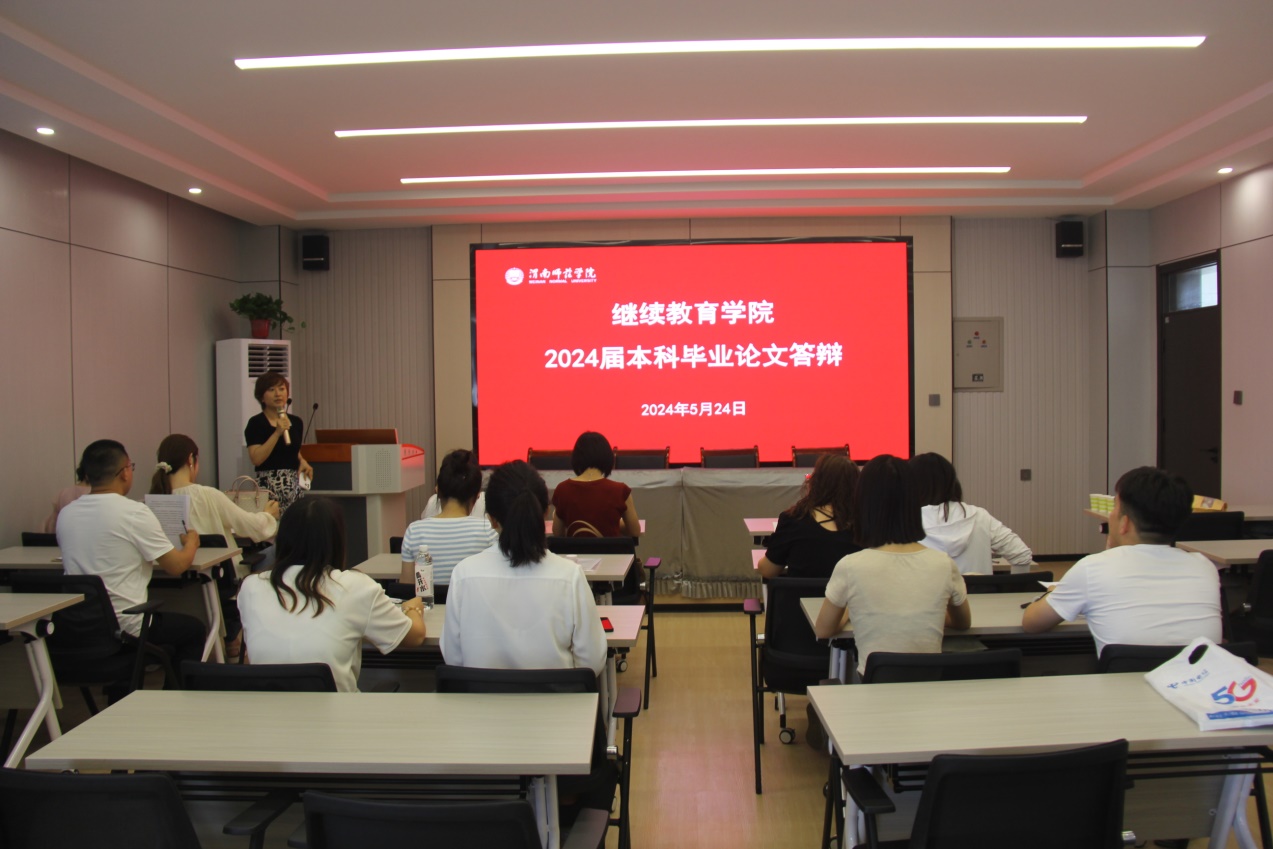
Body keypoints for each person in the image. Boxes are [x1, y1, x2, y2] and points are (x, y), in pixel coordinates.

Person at [1022, 466, 1222, 656]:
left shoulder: (1092, 568)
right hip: (1199, 679)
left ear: (1124, 523)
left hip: (1125, 680)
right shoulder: (1204, 566)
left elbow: (1032, 623)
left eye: (1114, 508)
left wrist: (1054, 592)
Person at [237, 496, 426, 692]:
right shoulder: (355, 587)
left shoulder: (251, 587)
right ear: (336, 540)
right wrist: (412, 608)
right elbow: (415, 637)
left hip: (265, 710)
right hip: (338, 711)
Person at [442, 461, 607, 674]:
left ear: (491, 519)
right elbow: (592, 662)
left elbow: (453, 659)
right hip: (555, 696)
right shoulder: (570, 577)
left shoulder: (464, 575)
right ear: (546, 513)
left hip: (482, 696)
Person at [814, 454, 971, 675]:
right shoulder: (943, 564)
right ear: (914, 503)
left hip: (874, 686)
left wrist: (852, 610)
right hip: (930, 686)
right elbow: (963, 622)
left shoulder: (850, 566)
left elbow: (823, 629)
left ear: (863, 505)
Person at [56, 439, 206, 669]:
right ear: (125, 472)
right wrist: (192, 544)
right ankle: (172, 691)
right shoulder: (134, 513)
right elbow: (176, 566)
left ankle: (126, 685)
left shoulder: (66, 514)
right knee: (194, 630)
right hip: (128, 626)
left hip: (79, 628)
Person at [150, 433, 279, 579]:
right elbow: (251, 526)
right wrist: (268, 515)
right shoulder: (207, 495)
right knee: (280, 549)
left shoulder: (153, 503)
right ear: (191, 459)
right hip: (223, 578)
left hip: (175, 583)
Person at [910, 452, 1033, 575]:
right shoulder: (980, 516)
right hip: (978, 588)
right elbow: (1021, 555)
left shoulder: (906, 522)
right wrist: (1015, 586)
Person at [400, 449, 497, 604]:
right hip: (471, 615)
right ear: (477, 495)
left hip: (428, 615)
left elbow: (406, 593)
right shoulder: (489, 532)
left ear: (437, 489)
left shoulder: (414, 532)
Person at [758, 453, 862, 579]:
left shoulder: (794, 520)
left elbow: (768, 571)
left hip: (801, 592)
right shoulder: (866, 525)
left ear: (815, 482)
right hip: (852, 592)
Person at [243, 370, 312, 515]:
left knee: (295, 524)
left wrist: (302, 461)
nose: (278, 394)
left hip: (293, 486)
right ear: (261, 397)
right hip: (268, 486)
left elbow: (292, 450)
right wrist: (277, 433)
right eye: (271, 390)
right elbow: (256, 458)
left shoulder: (296, 422)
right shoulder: (256, 423)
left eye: (281, 389)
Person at [551, 431, 640, 540]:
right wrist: (615, 523)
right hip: (612, 551)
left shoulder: (562, 490)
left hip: (574, 552)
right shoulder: (621, 491)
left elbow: (557, 533)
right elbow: (635, 531)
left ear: (576, 458)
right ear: (608, 457)